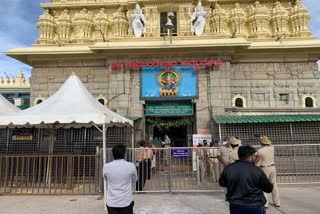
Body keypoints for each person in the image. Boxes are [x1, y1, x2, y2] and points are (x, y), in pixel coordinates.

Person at [219, 145, 273, 214]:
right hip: (255, 206)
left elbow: (222, 183)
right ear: (250, 157)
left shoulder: (228, 168)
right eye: (254, 156)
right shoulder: (256, 170)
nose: (255, 158)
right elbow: (268, 189)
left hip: (235, 205)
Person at [103, 145, 137, 214]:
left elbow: (106, 179)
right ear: (124, 154)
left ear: (113, 154)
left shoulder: (106, 166)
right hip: (126, 201)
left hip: (112, 202)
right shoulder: (131, 165)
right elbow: (134, 179)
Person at [256, 136, 280, 208]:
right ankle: (277, 202)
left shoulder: (260, 151)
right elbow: (270, 144)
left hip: (264, 168)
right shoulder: (272, 148)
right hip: (272, 167)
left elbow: (258, 162)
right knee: (274, 185)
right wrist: (263, 138)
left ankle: (265, 203)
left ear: (261, 142)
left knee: (263, 185)